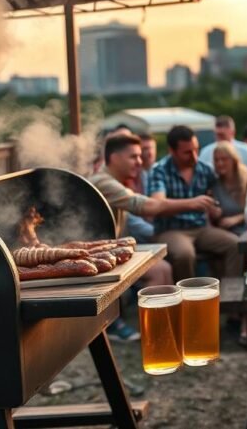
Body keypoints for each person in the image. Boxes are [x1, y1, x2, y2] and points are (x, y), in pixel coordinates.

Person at [89, 134, 174, 342]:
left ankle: (166, 329)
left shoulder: (115, 181)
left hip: (112, 250)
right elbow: (145, 206)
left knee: (163, 268)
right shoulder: (103, 181)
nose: (140, 161)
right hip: (97, 256)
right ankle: (157, 335)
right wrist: (193, 203)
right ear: (115, 158)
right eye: (134, 157)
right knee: (159, 270)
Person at [147, 126, 241, 283]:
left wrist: (216, 210)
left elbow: (219, 196)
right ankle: (188, 301)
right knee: (184, 254)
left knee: (235, 244)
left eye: (196, 150)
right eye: (187, 153)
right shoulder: (160, 171)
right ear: (172, 151)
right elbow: (157, 204)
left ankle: (231, 294)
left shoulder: (204, 170)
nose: (194, 157)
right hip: (170, 229)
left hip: (201, 228)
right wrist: (192, 204)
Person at [211, 141, 247, 233]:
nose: (220, 163)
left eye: (224, 159)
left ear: (234, 160)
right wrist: (215, 213)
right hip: (228, 232)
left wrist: (237, 218)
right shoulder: (214, 184)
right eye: (216, 160)